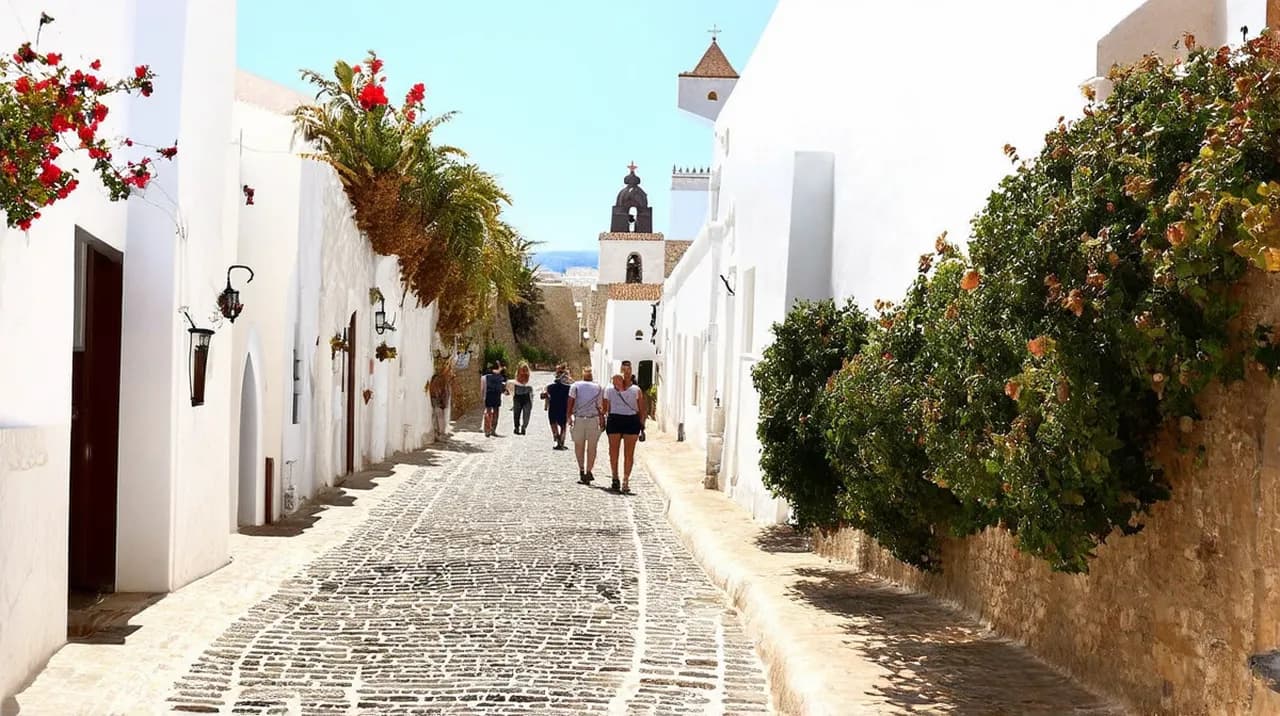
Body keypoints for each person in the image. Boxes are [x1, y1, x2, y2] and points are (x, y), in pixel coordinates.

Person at [603, 372, 646, 494]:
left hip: (631, 420)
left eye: (618, 380)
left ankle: (626, 479)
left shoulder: (635, 390)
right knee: (613, 451)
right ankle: (615, 476)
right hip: (615, 419)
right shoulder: (609, 390)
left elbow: (641, 408)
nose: (615, 382)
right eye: (614, 380)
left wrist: (642, 424)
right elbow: (606, 407)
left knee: (629, 453)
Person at [567, 365, 605, 484]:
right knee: (592, 448)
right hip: (593, 419)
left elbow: (570, 402)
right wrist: (602, 420)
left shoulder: (575, 386)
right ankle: (588, 471)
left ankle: (582, 471)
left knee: (579, 446)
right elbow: (600, 406)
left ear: (583, 374)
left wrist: (569, 416)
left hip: (579, 418)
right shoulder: (599, 387)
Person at [542, 363, 572, 450]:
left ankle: (557, 440)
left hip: (555, 406)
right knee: (562, 425)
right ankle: (560, 442)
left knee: (554, 423)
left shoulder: (551, 387)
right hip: (563, 407)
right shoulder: (569, 387)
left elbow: (544, 393)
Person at [620, 360, 647, 440]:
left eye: (628, 369)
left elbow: (641, 407)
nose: (626, 372)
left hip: (632, 417)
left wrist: (641, 424)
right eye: (624, 369)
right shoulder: (617, 382)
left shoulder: (635, 385)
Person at [481, 362, 508, 437]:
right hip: (496, 396)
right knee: (495, 413)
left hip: (488, 396)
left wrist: (483, 397)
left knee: (488, 412)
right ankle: (493, 430)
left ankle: (487, 430)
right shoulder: (501, 377)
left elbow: (482, 389)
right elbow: (503, 388)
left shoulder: (485, 377)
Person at [427, 366, 452, 442]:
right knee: (439, 417)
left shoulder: (439, 379)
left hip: (437, 401)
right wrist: (441, 400)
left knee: (437, 417)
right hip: (438, 401)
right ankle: (440, 434)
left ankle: (438, 434)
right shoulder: (440, 380)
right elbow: (438, 391)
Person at [511, 362, 534, 435]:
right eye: (523, 369)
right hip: (517, 397)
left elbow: (532, 389)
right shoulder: (516, 378)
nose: (524, 371)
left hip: (527, 397)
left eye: (525, 369)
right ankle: (516, 427)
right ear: (519, 370)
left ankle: (524, 427)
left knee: (527, 414)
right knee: (516, 414)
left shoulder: (530, 379)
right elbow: (511, 388)